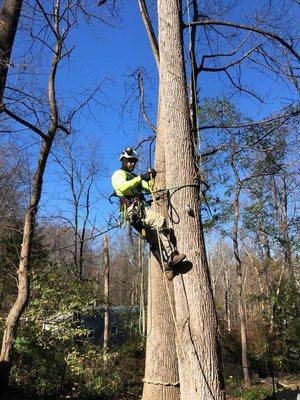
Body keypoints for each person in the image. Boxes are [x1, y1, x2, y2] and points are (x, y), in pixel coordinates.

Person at [111, 147, 186, 281]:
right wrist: (140, 177)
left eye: (134, 161)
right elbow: (122, 187)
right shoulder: (118, 174)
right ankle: (171, 255)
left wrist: (151, 177)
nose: (132, 164)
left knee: (153, 239)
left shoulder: (134, 177)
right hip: (133, 210)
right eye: (130, 161)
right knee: (159, 221)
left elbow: (149, 187)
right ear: (123, 160)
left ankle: (166, 268)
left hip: (138, 212)